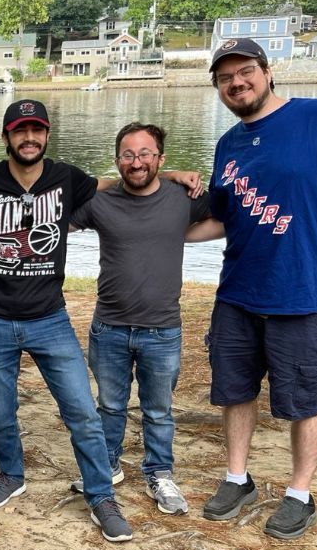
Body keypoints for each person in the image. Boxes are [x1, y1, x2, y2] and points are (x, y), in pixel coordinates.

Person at [193, 38, 317, 539]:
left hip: (302, 289)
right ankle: (238, 478)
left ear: (268, 72)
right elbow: (223, 220)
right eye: (225, 77)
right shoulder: (228, 145)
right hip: (237, 291)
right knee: (235, 391)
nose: (237, 82)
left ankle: (300, 492)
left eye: (246, 71)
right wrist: (156, 230)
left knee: (305, 397)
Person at [0, 99, 140, 542]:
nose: (29, 138)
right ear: (6, 137)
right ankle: (11, 474)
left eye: (36, 130)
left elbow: (118, 185)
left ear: (46, 135)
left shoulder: (67, 178)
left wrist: (172, 176)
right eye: (20, 131)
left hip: (50, 319)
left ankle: (101, 495)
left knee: (81, 410)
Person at [69, 122, 212, 516]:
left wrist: (183, 228)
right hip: (110, 325)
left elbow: (232, 215)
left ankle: (160, 472)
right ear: (117, 160)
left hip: (162, 329)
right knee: (110, 405)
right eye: (128, 155)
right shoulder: (101, 201)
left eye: (146, 154)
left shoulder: (182, 198)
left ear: (160, 158)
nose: (137, 162)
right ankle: (108, 464)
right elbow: (57, 218)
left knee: (159, 409)